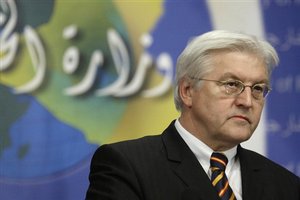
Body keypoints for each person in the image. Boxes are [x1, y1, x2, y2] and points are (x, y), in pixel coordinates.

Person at [85, 30, 300, 200]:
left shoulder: (285, 185)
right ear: (187, 91)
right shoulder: (128, 166)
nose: (246, 101)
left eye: (258, 88)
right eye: (231, 85)